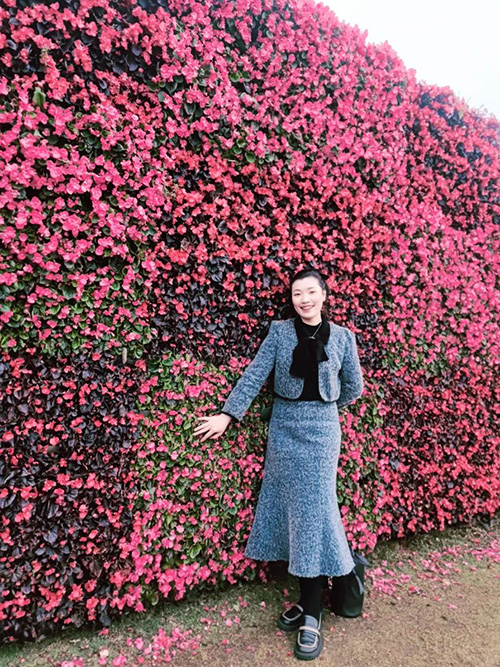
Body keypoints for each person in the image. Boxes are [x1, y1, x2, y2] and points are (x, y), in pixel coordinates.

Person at [193, 267, 364, 661]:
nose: (304, 299)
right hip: (284, 429)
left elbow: (353, 388)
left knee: (313, 515)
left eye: (310, 292)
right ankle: (307, 602)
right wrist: (227, 415)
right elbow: (255, 375)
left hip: (323, 432)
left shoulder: (343, 338)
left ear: (323, 295)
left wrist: (324, 407)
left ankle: (312, 615)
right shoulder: (280, 332)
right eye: (297, 293)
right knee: (296, 515)